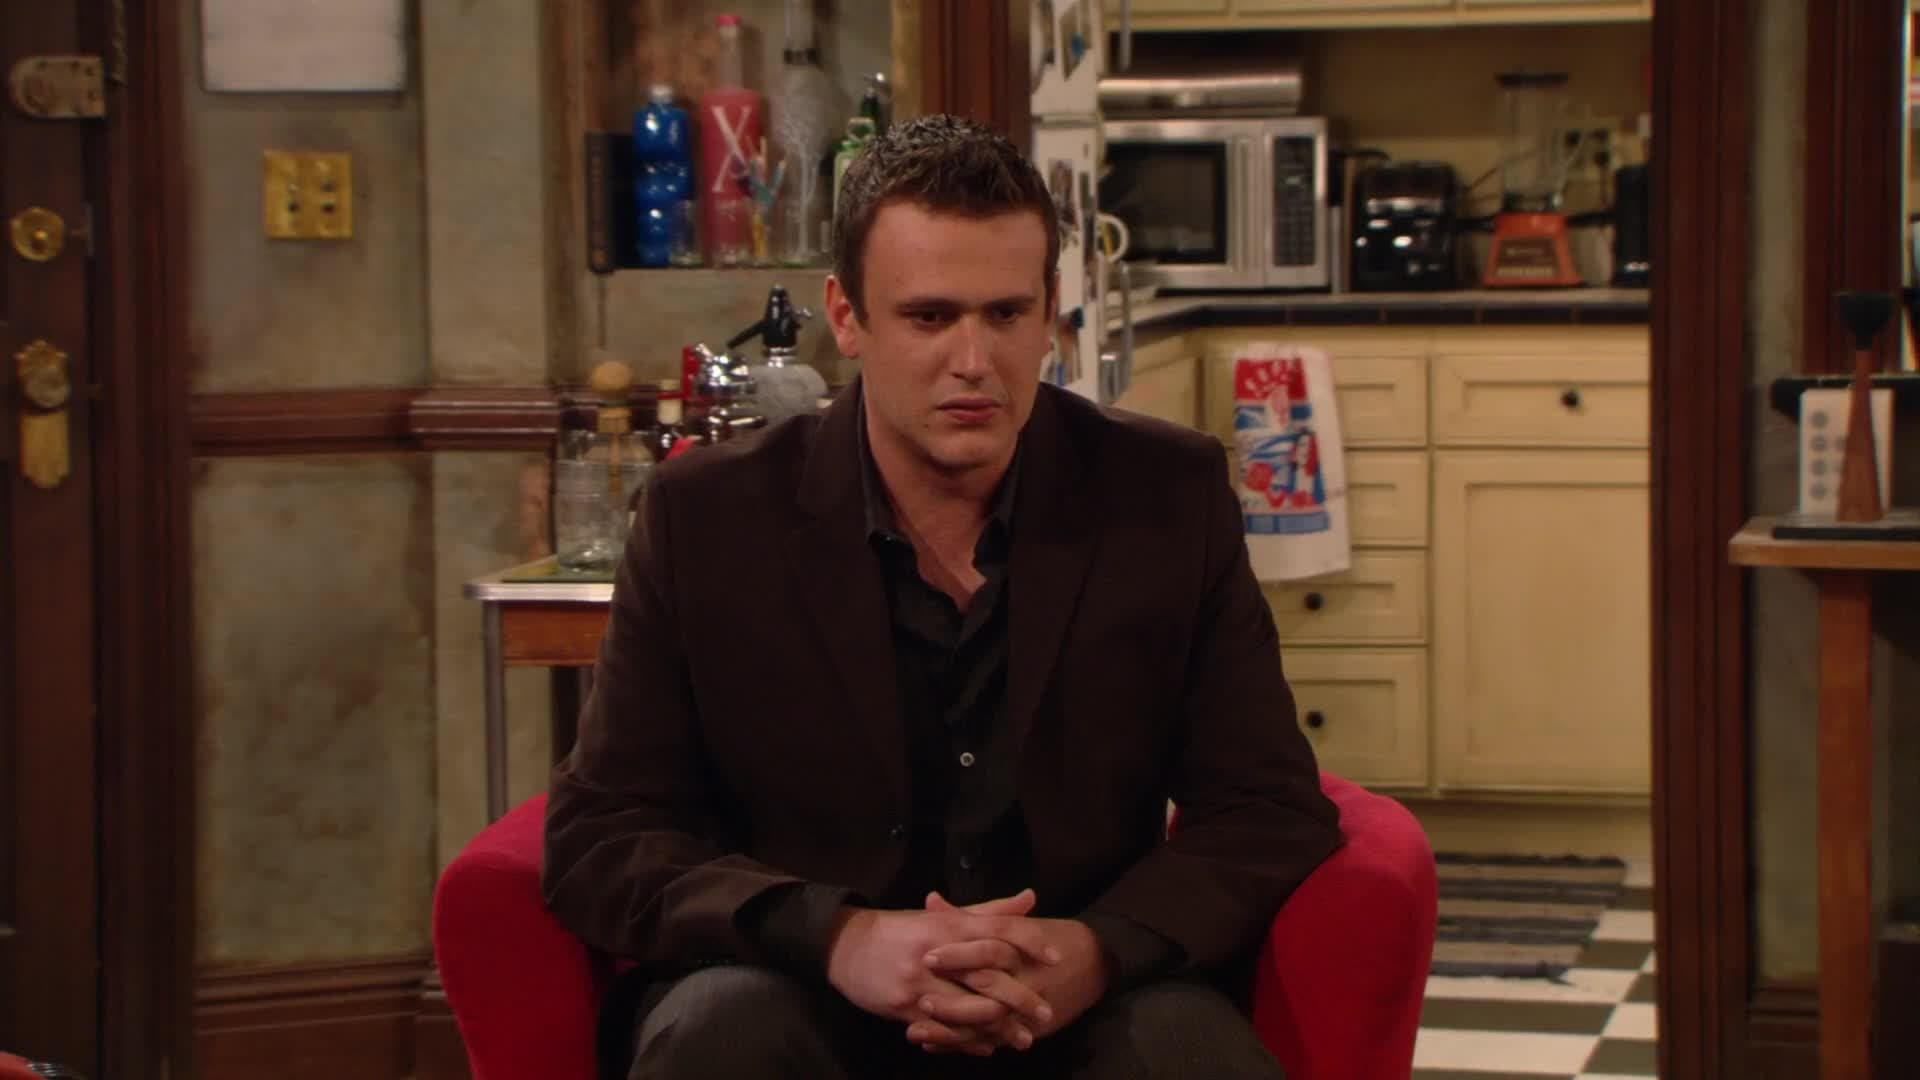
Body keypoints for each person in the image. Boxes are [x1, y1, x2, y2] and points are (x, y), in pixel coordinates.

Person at [543, 114, 1343, 1080]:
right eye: (930, 317)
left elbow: (1266, 806)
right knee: (722, 1029)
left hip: (1080, 994)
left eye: (1006, 315)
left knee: (1187, 1052)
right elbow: (603, 834)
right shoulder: (708, 517)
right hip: (803, 989)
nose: (974, 361)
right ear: (847, 317)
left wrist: (1096, 952)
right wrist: (836, 936)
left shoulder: (1165, 497)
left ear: (1050, 314)